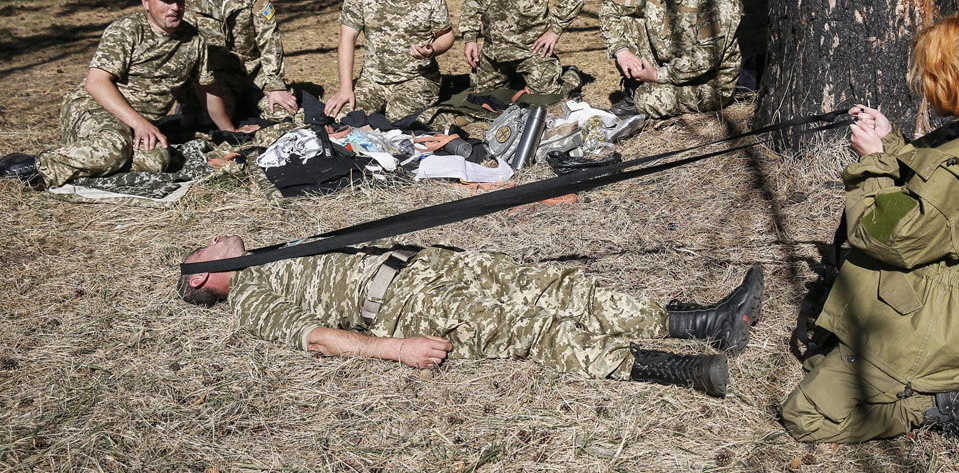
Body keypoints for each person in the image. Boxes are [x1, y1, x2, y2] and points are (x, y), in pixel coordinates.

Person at [779, 14, 959, 459]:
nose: (923, 86)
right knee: (822, 359)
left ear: (949, 79)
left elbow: (881, 234)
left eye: (928, 75)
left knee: (805, 415)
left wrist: (873, 163)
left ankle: (939, 400)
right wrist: (891, 143)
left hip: (933, 329)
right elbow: (938, 193)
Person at [178, 234, 765, 398]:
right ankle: (682, 371)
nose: (214, 240)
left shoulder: (271, 253)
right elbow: (316, 338)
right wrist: (397, 349)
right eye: (203, 250)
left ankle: (706, 324)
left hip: (427, 263)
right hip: (405, 304)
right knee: (531, 328)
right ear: (202, 276)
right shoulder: (250, 298)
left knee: (556, 287)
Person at [0, 0, 245, 188]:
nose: (174, 7)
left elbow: (206, 89)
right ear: (146, 2)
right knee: (113, 148)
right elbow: (96, 83)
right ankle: (30, 166)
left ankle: (92, 160)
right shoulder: (127, 30)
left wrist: (229, 130)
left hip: (138, 125)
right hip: (96, 107)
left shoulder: (193, 39)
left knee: (157, 161)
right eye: (165, 0)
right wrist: (139, 124)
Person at [599, 0, 742, 118]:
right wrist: (621, 51)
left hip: (709, 81)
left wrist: (659, 76)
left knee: (648, 99)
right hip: (667, 63)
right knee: (626, 20)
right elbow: (609, 7)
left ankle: (642, 92)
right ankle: (639, 83)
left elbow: (708, 56)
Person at [323, 0, 454, 122]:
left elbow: (446, 35)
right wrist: (345, 89)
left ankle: (450, 118)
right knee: (343, 117)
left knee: (398, 117)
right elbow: (347, 38)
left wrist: (432, 50)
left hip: (417, 79)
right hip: (372, 80)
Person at [182, 0, 298, 124]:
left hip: (256, 72)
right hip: (218, 78)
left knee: (284, 114)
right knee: (211, 122)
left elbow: (268, 35)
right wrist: (189, 100)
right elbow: (186, 53)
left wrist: (276, 84)